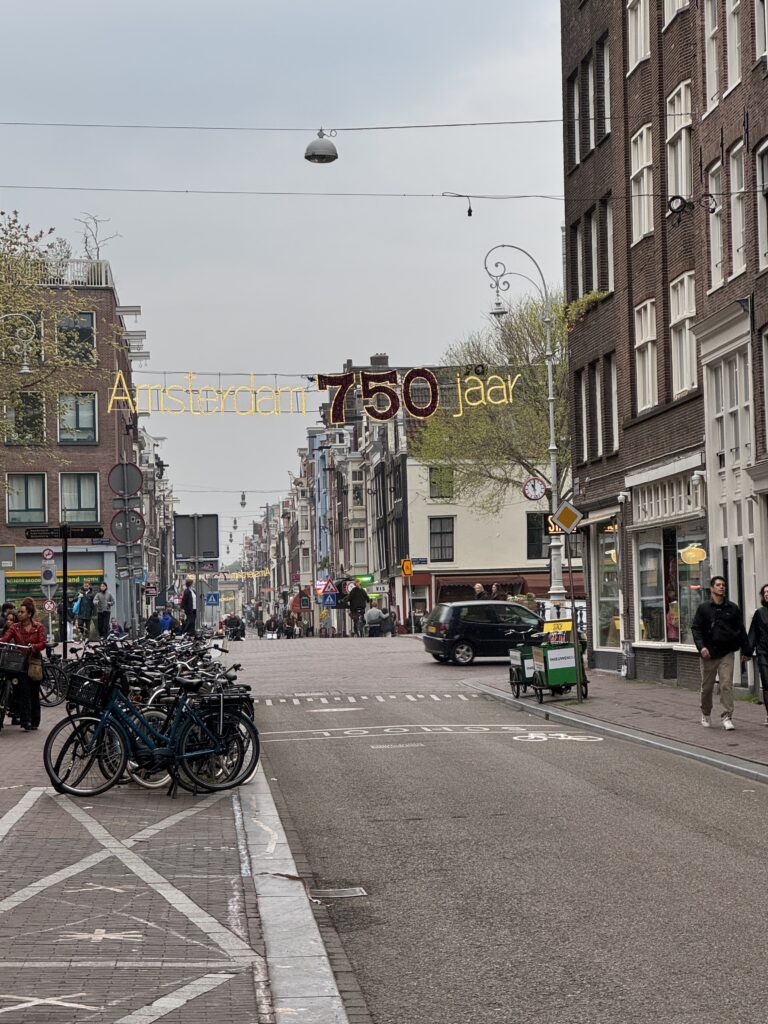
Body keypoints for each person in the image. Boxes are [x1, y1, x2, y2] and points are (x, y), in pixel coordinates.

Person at [691, 575, 751, 731]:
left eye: (723, 584)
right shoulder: (704, 608)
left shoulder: (732, 608)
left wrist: (746, 650)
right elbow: (696, 628)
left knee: (726, 684)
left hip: (726, 652)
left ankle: (727, 716)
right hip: (708, 653)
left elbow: (741, 630)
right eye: (718, 585)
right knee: (707, 687)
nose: (721, 587)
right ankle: (705, 712)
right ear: (712, 589)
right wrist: (701, 647)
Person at [0, 597, 47, 731]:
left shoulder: (39, 627)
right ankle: (25, 721)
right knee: (23, 691)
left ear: (29, 614)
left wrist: (34, 647)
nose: (18, 614)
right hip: (19, 662)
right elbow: (5, 639)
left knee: (34, 692)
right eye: (18, 612)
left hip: (34, 662)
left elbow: (42, 643)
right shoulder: (14, 627)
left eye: (21, 612)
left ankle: (35, 721)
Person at [748, 583, 768, 727]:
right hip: (764, 653)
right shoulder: (760, 613)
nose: (767, 594)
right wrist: (747, 652)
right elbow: (753, 633)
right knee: (767, 684)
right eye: (765, 592)